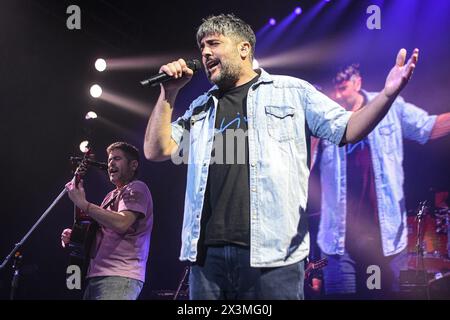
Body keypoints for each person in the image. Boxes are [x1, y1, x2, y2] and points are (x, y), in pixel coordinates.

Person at [143, 14, 419, 300]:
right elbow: (156, 149)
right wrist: (169, 93)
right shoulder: (201, 108)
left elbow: (348, 128)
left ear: (244, 49)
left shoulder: (292, 92)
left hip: (273, 257)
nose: (205, 53)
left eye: (213, 43)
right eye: (201, 48)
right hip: (205, 259)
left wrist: (387, 95)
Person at [315, 64, 450, 298]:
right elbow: (304, 164)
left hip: (385, 239)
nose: (337, 95)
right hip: (338, 242)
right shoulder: (325, 115)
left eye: (343, 88)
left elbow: (429, 127)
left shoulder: (390, 106)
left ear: (357, 83)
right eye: (334, 89)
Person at [61, 142, 153, 300]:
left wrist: (85, 205)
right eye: (109, 159)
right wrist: (76, 238)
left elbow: (121, 223)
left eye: (117, 158)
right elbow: (102, 233)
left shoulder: (137, 188)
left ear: (133, 165)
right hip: (96, 276)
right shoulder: (109, 196)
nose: (111, 163)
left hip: (119, 276)